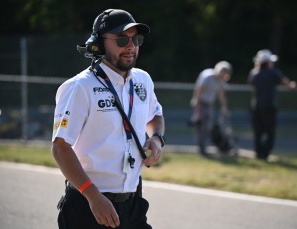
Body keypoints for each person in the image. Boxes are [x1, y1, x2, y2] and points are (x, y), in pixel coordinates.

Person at [51, 9, 165, 229]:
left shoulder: (143, 80)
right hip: (88, 206)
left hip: (133, 204)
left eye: (136, 39)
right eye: (122, 39)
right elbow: (60, 147)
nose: (131, 46)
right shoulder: (80, 87)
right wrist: (93, 197)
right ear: (99, 45)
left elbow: (156, 115)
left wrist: (157, 138)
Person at [248, 49, 296, 161]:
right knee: (270, 133)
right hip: (269, 107)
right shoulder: (273, 72)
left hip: (256, 106)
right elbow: (286, 83)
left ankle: (259, 153)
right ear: (268, 62)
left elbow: (252, 85)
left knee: (258, 132)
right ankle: (264, 154)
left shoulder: (254, 73)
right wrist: (292, 85)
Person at [190, 61, 232, 157]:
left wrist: (224, 106)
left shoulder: (220, 79)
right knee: (202, 127)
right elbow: (198, 93)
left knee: (208, 127)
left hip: (209, 104)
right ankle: (202, 149)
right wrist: (198, 111)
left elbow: (221, 93)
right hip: (201, 103)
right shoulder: (208, 77)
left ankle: (204, 147)